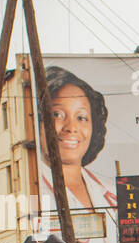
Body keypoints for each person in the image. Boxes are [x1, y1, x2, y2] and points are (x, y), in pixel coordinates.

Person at [37, 66, 118, 213]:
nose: (71, 128)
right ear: (37, 121)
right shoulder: (27, 193)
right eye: (57, 115)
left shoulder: (112, 193)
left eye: (81, 117)